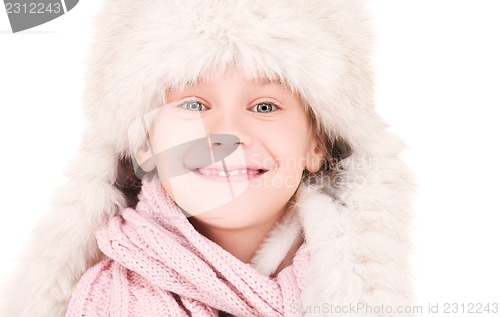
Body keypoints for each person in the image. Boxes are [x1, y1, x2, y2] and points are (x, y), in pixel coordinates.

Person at [0, 0, 416, 316]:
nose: (228, 133)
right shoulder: (106, 303)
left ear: (316, 145)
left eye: (266, 106)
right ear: (145, 143)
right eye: (195, 105)